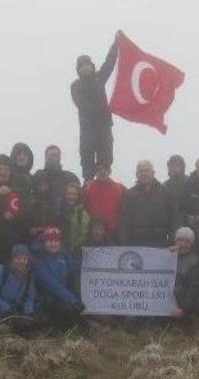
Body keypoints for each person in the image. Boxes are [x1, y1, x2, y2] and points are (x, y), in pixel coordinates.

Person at [71, 32, 120, 181]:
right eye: (82, 66)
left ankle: (104, 183)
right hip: (87, 129)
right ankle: (88, 185)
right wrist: (102, 109)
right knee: (87, 161)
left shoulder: (99, 78)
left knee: (105, 160)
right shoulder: (76, 85)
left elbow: (110, 63)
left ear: (92, 66)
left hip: (104, 127)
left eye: (87, 65)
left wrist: (116, 43)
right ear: (78, 70)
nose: (85, 68)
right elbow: (82, 105)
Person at [32, 227, 85, 330]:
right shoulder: (38, 259)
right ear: (44, 243)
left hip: (61, 298)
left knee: (72, 313)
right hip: (44, 300)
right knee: (66, 310)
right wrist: (73, 300)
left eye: (56, 241)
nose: (53, 244)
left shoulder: (63, 255)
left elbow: (73, 268)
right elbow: (51, 284)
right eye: (50, 241)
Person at [118, 160, 176, 247]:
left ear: (153, 173)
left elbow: (173, 217)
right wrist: (124, 242)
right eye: (141, 171)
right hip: (136, 243)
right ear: (137, 174)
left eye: (147, 171)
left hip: (160, 242)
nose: (144, 174)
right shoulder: (130, 194)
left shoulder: (164, 192)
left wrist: (172, 239)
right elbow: (124, 220)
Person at [0, 244, 37, 319]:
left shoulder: (29, 277)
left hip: (16, 310)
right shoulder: (0, 270)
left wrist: (28, 313)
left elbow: (30, 298)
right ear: (12, 258)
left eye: (25, 259)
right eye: (18, 258)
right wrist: (8, 309)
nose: (21, 262)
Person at [84, 163, 125, 239]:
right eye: (99, 169)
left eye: (105, 169)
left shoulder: (120, 188)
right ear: (95, 172)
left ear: (110, 171)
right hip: (94, 235)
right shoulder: (87, 188)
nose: (102, 171)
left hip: (114, 234)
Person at [171, 227, 199, 323]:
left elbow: (192, 288)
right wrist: (165, 254)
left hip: (185, 305)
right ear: (175, 241)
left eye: (187, 241)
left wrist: (183, 309)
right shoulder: (167, 255)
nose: (183, 244)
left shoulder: (196, 262)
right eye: (180, 240)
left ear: (191, 244)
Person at [26, 173, 61, 243]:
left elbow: (60, 220)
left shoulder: (56, 202)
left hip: (53, 238)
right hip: (34, 239)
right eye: (39, 185)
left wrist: (53, 228)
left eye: (45, 185)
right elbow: (25, 221)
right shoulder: (30, 202)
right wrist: (30, 229)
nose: (43, 188)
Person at [60, 182, 90, 259]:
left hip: (76, 253)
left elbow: (84, 234)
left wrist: (75, 249)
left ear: (78, 196)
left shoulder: (82, 212)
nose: (71, 197)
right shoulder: (59, 210)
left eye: (74, 194)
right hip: (59, 251)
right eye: (69, 194)